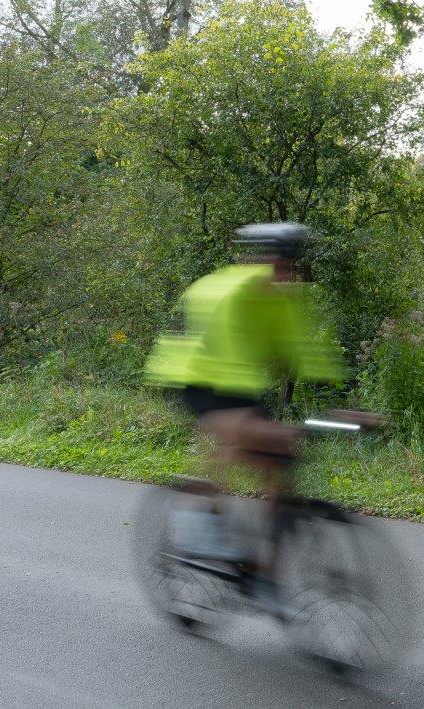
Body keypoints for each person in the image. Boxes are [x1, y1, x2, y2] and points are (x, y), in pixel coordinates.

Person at [145, 222, 343, 610]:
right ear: (258, 259)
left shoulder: (283, 299)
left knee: (281, 470)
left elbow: (305, 351)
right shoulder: (230, 294)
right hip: (195, 377)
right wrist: (264, 429)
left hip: (241, 383)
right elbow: (231, 363)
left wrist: (342, 401)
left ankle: (265, 577)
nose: (283, 274)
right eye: (276, 264)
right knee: (239, 437)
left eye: (289, 266)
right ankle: (198, 513)